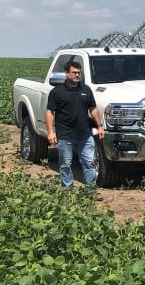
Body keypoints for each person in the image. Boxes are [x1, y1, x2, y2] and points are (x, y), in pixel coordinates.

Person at [45, 58, 105, 190]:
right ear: (66, 73)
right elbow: (50, 112)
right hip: (65, 135)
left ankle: (90, 191)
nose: (77, 75)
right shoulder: (57, 92)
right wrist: (51, 131)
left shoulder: (86, 90)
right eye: (74, 72)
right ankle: (67, 190)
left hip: (85, 134)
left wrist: (100, 126)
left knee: (89, 163)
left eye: (79, 72)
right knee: (65, 164)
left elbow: (93, 109)